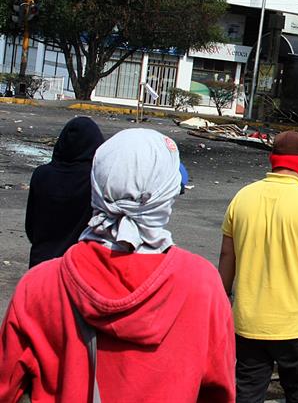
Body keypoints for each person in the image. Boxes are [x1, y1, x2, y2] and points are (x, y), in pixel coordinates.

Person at [0, 128, 235, 402]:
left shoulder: (39, 285)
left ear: (97, 183)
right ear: (166, 193)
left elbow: (7, 385)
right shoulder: (203, 284)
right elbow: (219, 389)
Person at [218, 130, 298, 403]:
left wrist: (223, 295)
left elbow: (227, 255)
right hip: (297, 326)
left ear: (273, 159)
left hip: (248, 323)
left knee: (246, 392)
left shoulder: (243, 197)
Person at [25, 116, 104, 267]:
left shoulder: (41, 174)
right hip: (77, 268)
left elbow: (31, 226)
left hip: (40, 265)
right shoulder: (95, 180)